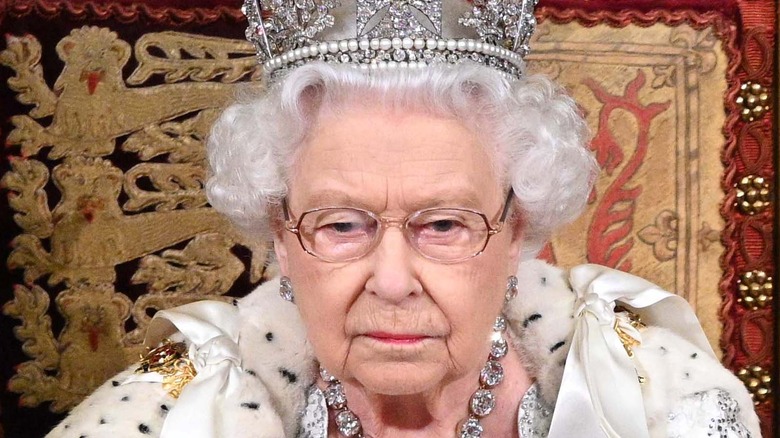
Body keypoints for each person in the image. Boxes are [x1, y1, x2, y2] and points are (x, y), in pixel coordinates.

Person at [46, 1, 761, 437]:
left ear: (516, 234)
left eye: (444, 225)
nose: (392, 280)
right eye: (341, 225)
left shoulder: (660, 405)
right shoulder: (171, 414)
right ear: (282, 239)